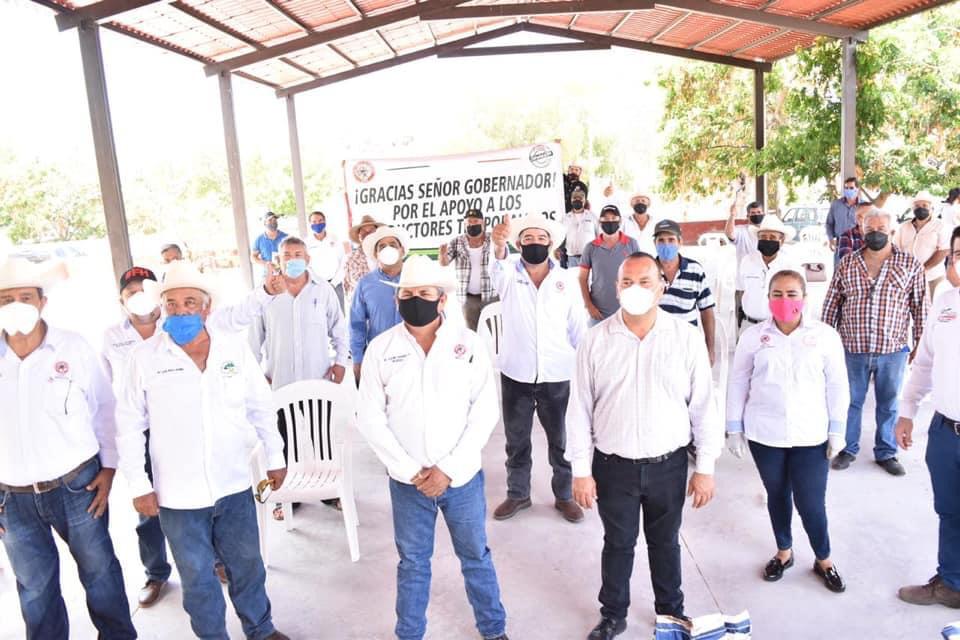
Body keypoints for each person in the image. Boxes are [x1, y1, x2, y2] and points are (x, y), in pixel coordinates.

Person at [116, 261, 289, 640]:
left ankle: (261, 629)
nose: (180, 311)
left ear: (206, 308)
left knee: (247, 566)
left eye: (189, 302)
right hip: (178, 496)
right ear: (162, 308)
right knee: (197, 579)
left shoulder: (233, 349)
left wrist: (275, 457)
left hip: (233, 483)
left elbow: (261, 406)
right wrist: (139, 485)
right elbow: (128, 426)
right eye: (172, 304)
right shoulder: (143, 358)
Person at [566, 252, 722, 640]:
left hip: (668, 465)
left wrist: (705, 467)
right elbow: (579, 409)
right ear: (616, 289)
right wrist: (581, 471)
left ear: (661, 288)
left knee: (665, 542)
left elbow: (704, 406)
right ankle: (612, 614)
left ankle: (671, 611)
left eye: (644, 282)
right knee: (618, 543)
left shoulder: (685, 338)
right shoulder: (596, 340)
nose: (635, 289)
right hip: (613, 466)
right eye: (627, 282)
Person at [357, 256, 509, 640]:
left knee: (475, 557)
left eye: (424, 293)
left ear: (442, 299)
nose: (415, 300)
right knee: (412, 563)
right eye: (407, 294)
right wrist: (411, 471)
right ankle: (409, 634)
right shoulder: (380, 349)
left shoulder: (468, 344)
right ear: (396, 300)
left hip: (461, 479)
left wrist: (448, 470)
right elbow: (370, 418)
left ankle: (494, 630)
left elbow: (485, 412)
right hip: (408, 483)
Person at [0, 257, 137, 640]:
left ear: (42, 302)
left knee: (100, 573)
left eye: (25, 297)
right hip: (12, 497)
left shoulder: (72, 347)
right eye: (6, 299)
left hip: (77, 486)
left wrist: (109, 468)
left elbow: (105, 408)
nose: (15, 306)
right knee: (35, 588)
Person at [727, 269, 850, 593]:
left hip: (811, 435)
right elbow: (738, 381)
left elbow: (838, 385)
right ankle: (784, 552)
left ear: (804, 298)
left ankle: (823, 558)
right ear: (768, 298)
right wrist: (734, 427)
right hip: (765, 434)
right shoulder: (753, 337)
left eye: (792, 294)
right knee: (777, 494)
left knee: (811, 502)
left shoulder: (825, 336)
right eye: (777, 294)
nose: (784, 300)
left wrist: (838, 430)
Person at [489, 213, 586, 523]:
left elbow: (578, 327)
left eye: (541, 238)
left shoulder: (566, 281)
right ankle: (518, 494)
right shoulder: (507, 275)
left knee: (561, 440)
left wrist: (585, 366)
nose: (534, 243)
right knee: (516, 440)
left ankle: (565, 496)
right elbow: (497, 264)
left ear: (551, 244)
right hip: (516, 373)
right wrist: (499, 245)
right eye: (528, 239)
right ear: (518, 244)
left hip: (558, 374)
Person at [821, 208, 928, 476]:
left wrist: (921, 343)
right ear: (861, 231)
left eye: (881, 229)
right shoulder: (847, 263)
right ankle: (847, 448)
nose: (876, 234)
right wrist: (824, 342)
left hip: (892, 350)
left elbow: (920, 307)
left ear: (891, 231)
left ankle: (886, 452)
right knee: (849, 401)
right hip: (852, 349)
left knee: (889, 404)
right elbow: (832, 304)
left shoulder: (910, 264)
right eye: (870, 230)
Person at [259, 236, 348, 518]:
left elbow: (339, 328)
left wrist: (340, 362)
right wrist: (258, 375)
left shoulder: (323, 290)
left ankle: (330, 491)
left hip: (317, 378)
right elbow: (254, 337)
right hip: (280, 381)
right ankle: (286, 497)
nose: (293, 259)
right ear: (278, 259)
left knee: (321, 436)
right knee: (281, 440)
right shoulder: (266, 294)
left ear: (308, 258)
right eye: (287, 255)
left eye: (298, 254)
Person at [895, 226, 960, 609]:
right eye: (959, 253)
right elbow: (924, 362)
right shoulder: (945, 303)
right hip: (946, 430)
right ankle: (951, 583)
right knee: (949, 511)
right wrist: (907, 411)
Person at [653, 219, 716, 365]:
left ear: (680, 242)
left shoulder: (695, 270)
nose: (666, 244)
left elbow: (707, 311)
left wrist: (710, 349)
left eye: (671, 240)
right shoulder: (648, 271)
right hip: (656, 347)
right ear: (654, 243)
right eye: (661, 240)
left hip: (688, 345)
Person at [350, 225, 408, 381]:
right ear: (376, 254)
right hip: (378, 356)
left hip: (413, 355)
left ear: (402, 250)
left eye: (393, 245)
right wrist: (358, 359)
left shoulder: (416, 278)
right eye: (382, 246)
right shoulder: (365, 283)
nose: (388, 249)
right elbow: (357, 324)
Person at [579, 204, 639, 323]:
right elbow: (582, 278)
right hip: (598, 313)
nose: (610, 221)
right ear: (599, 222)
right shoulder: (590, 247)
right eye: (605, 219)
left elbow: (639, 273)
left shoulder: (632, 244)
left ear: (620, 221)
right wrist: (589, 306)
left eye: (613, 218)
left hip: (626, 310)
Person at [439, 209, 498, 330]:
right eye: (468, 222)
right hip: (468, 299)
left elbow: (503, 258)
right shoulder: (457, 242)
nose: (471, 224)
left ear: (483, 223)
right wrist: (442, 255)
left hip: (491, 295)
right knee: (472, 333)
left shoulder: (493, 240)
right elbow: (444, 263)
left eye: (475, 221)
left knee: (494, 331)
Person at [736, 215, 799, 327]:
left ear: (782, 241)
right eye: (763, 237)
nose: (767, 240)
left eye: (773, 237)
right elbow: (740, 290)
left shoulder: (790, 265)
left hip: (779, 326)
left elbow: (800, 298)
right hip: (749, 324)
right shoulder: (747, 261)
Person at [894, 191, 951, 300]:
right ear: (913, 209)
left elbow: (943, 251)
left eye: (925, 205)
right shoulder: (903, 227)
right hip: (907, 278)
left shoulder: (940, 226)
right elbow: (896, 249)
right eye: (917, 206)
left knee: (933, 306)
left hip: (933, 277)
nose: (921, 208)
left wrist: (922, 269)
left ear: (931, 208)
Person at [305, 210, 350, 310]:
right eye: (314, 221)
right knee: (319, 314)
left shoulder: (335, 238)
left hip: (335, 284)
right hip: (316, 285)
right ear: (310, 224)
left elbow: (343, 261)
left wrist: (334, 283)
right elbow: (307, 266)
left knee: (339, 314)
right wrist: (319, 282)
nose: (317, 224)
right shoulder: (306, 243)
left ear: (325, 221)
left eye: (320, 220)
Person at [343, 215, 385, 302]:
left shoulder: (387, 254)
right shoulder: (351, 258)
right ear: (359, 236)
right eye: (364, 232)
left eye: (371, 231)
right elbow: (348, 285)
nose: (367, 234)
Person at [562, 185, 598, 268]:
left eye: (581, 197)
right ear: (571, 200)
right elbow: (561, 236)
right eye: (574, 197)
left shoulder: (593, 216)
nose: (577, 199)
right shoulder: (565, 218)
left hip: (589, 258)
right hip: (571, 259)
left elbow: (599, 236)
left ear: (585, 200)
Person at [724, 198, 765, 269]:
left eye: (759, 212)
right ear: (747, 216)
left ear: (763, 214)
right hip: (745, 273)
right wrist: (732, 215)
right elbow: (729, 233)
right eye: (753, 213)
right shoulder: (741, 231)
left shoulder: (769, 230)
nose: (756, 215)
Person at [825, 177, 861, 254]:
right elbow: (829, 224)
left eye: (851, 188)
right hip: (840, 245)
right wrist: (831, 239)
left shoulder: (863, 206)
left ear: (857, 189)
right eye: (846, 188)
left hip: (858, 247)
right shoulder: (836, 205)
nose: (848, 190)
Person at [251, 212, 289, 280]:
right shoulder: (259, 239)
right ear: (265, 223)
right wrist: (266, 263)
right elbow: (253, 257)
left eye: (275, 220)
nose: (273, 222)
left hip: (285, 274)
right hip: (267, 275)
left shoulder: (286, 237)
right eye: (270, 220)